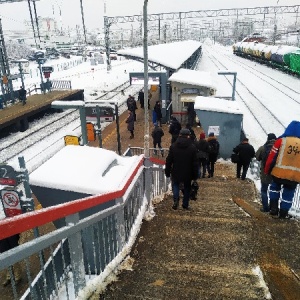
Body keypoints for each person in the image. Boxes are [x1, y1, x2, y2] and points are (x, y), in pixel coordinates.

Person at [264, 121, 300, 218]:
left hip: (278, 173)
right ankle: (283, 214)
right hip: (295, 176)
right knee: (288, 195)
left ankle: (273, 209)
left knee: (274, 189)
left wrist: (267, 170)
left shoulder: (281, 141)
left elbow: (271, 157)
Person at [165, 128, 198, 210]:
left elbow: (169, 160)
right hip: (188, 172)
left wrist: (167, 171)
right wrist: (195, 175)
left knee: (175, 185)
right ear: (188, 136)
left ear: (179, 135)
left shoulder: (173, 146)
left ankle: (176, 199)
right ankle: (185, 204)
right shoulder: (192, 148)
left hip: (176, 170)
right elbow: (195, 163)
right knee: (187, 187)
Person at [255, 133, 277, 212]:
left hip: (265, 173)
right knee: (274, 191)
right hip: (275, 173)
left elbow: (257, 157)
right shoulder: (279, 148)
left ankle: (265, 208)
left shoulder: (263, 148)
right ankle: (273, 208)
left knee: (264, 190)